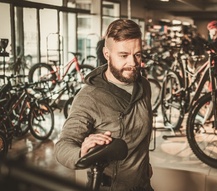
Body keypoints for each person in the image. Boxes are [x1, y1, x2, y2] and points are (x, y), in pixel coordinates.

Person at [54, 19, 154, 191]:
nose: (133, 63)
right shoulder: (90, 97)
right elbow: (63, 146)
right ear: (107, 54)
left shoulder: (143, 85)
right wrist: (81, 153)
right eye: (123, 55)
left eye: (137, 54)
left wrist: (143, 168)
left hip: (143, 185)